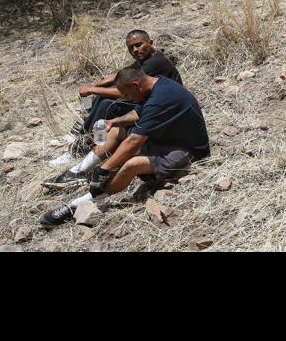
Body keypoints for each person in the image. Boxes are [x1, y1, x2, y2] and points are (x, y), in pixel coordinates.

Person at [41, 67, 211, 227]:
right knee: (115, 131)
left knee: (131, 165)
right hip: (166, 138)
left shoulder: (161, 99)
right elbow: (137, 113)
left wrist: (104, 169)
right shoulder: (156, 84)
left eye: (126, 93)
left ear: (135, 85)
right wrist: (112, 122)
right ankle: (76, 172)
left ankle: (79, 203)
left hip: (187, 150)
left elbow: (133, 142)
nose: (125, 98)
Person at [65, 30, 181, 156]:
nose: (135, 50)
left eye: (138, 45)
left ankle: (83, 146)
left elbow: (124, 93)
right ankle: (85, 133)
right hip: (149, 100)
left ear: (150, 43)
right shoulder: (146, 57)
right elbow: (121, 74)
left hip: (162, 107)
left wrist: (92, 90)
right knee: (102, 96)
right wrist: (96, 86)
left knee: (108, 105)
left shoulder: (155, 63)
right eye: (131, 48)